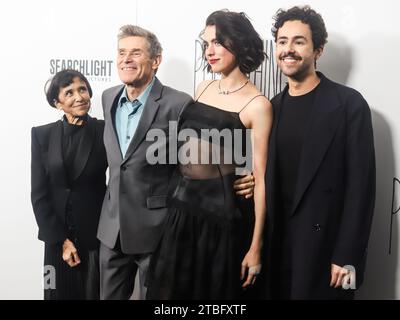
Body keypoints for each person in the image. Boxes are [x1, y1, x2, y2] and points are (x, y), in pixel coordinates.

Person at [96, 25, 254, 300]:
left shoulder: (178, 103)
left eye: (136, 53)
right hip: (111, 231)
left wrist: (241, 175)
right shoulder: (108, 97)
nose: (126, 59)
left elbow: (202, 161)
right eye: (121, 53)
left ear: (156, 60)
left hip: (157, 231)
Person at [146, 10, 272, 299]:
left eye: (217, 42)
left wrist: (255, 247)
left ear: (238, 43)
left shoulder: (257, 104)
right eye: (206, 44)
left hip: (219, 220)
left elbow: (261, 179)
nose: (209, 51)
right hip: (181, 212)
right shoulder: (203, 88)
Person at [265, 5, 375, 299]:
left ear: (318, 50)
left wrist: (347, 255)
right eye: (283, 41)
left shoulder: (349, 104)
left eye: (299, 41)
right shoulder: (270, 108)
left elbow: (360, 189)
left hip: (327, 254)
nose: (289, 49)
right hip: (277, 250)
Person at [31, 69, 107, 299]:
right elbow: (39, 194)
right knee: (52, 293)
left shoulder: (104, 131)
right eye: (70, 92)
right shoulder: (41, 135)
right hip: (56, 242)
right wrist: (61, 241)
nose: (79, 97)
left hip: (94, 241)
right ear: (58, 103)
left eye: (82, 89)